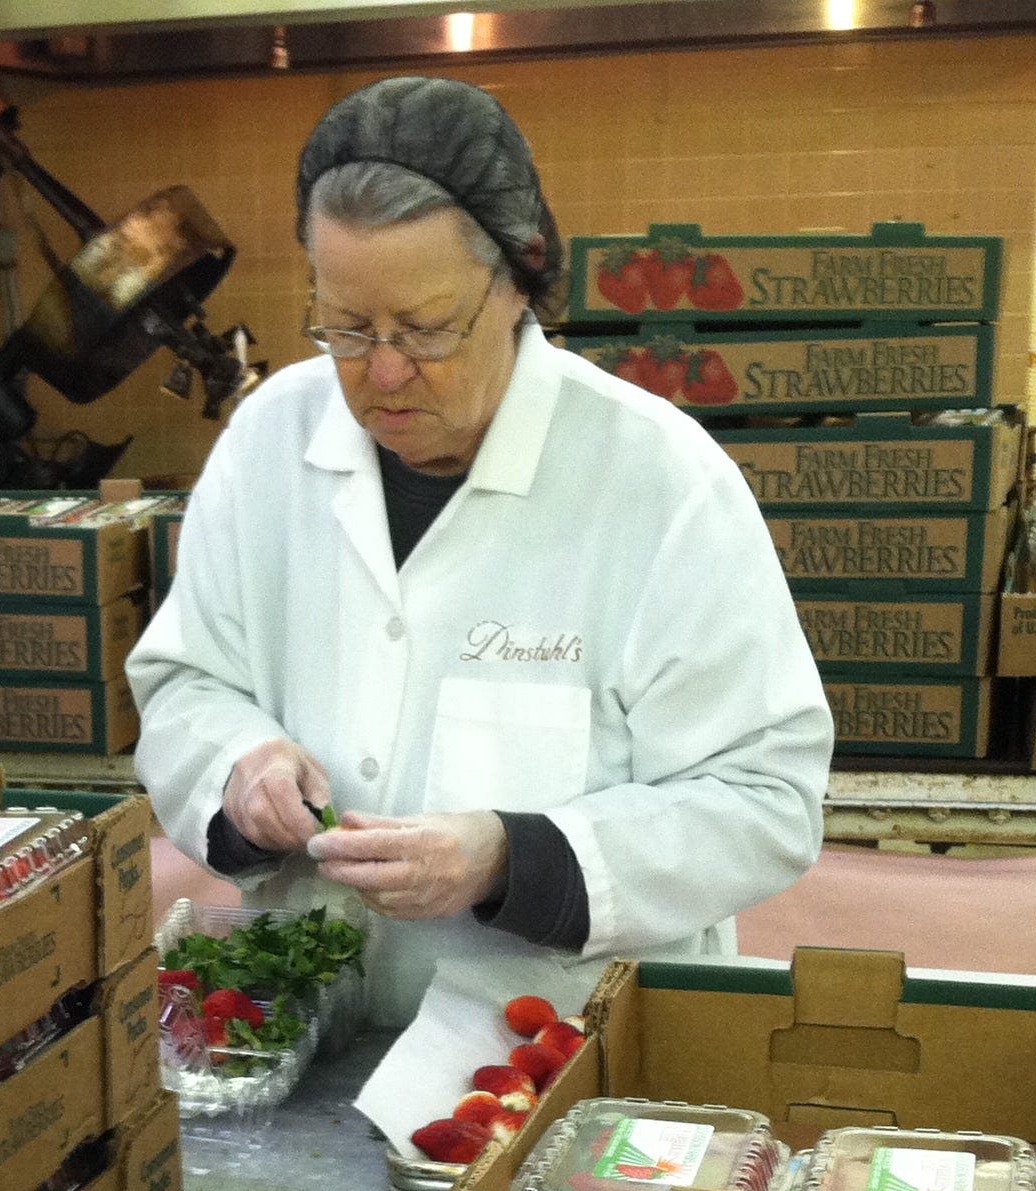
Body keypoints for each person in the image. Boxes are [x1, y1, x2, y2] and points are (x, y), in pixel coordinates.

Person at [129, 76, 832, 1022]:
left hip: (555, 1059)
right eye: (344, 327)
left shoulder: (657, 479)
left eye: (425, 329)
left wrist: (510, 856)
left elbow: (763, 800)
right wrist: (238, 767)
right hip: (305, 1036)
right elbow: (183, 684)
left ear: (517, 284)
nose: (381, 372)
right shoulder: (268, 443)